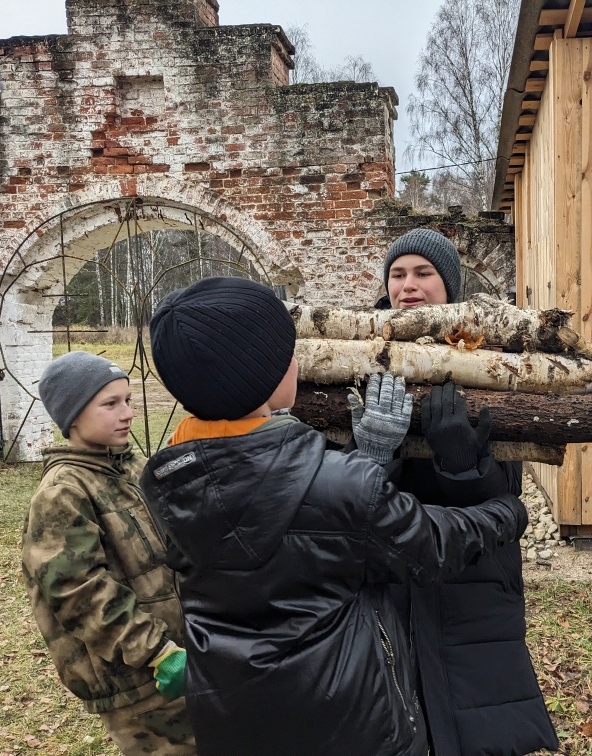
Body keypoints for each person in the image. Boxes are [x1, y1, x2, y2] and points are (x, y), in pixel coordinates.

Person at [138, 275, 529, 756]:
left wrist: (359, 466)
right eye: (287, 353)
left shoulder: (168, 484)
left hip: (238, 724)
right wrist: (505, 511)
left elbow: (293, 538)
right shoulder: (338, 487)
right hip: (351, 723)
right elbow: (433, 543)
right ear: (271, 374)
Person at [371, 227, 560, 755]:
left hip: (471, 584)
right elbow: (344, 502)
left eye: (423, 273)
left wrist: (461, 463)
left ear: (448, 285)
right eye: (398, 274)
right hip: (389, 584)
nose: (408, 286)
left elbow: (507, 497)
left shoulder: (489, 361)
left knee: (476, 729)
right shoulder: (359, 359)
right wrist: (375, 457)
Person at [21, 351, 195, 755]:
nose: (127, 414)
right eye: (110, 404)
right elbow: (79, 593)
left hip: (179, 657)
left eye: (129, 401)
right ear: (73, 415)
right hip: (134, 678)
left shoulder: (132, 469)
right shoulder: (62, 493)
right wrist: (157, 652)